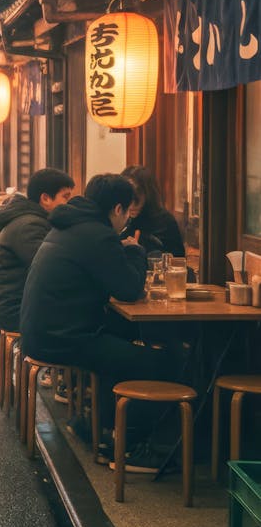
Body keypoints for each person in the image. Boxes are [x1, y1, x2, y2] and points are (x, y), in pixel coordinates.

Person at [20, 175, 178, 465]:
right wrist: (134, 250)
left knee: (122, 341)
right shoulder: (97, 234)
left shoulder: (71, 224)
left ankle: (96, 423)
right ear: (118, 209)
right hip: (64, 339)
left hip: (44, 332)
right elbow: (128, 289)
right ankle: (144, 447)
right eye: (128, 211)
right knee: (164, 363)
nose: (128, 218)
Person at [0, 168, 75, 333]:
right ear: (46, 198)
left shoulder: (34, 219)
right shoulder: (30, 226)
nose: (70, 204)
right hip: (15, 309)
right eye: (66, 197)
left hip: (17, 303)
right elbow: (49, 269)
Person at [121, 166, 186, 258]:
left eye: (136, 198)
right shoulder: (122, 218)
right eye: (127, 199)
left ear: (148, 194)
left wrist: (139, 250)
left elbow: (178, 260)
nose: (131, 206)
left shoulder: (164, 221)